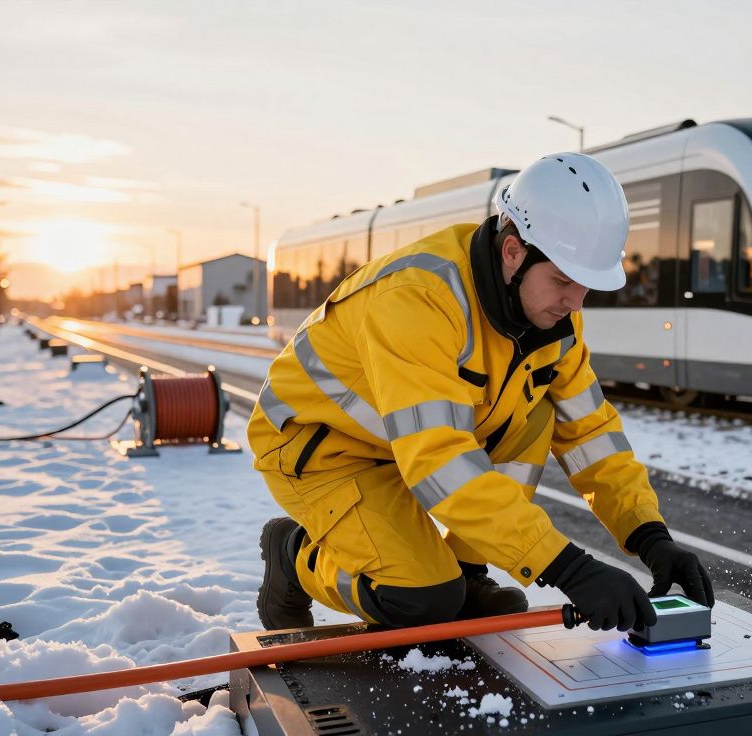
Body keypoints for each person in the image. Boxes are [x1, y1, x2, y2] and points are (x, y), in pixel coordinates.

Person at [248, 153, 714, 633]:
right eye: (562, 280)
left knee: (536, 413)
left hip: (403, 444)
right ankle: (294, 556)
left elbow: (592, 435)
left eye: (586, 287)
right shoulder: (417, 300)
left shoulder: (553, 323)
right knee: (421, 600)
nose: (575, 303)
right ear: (513, 251)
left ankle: (467, 572)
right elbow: (438, 460)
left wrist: (650, 535)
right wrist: (568, 568)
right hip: (322, 449)